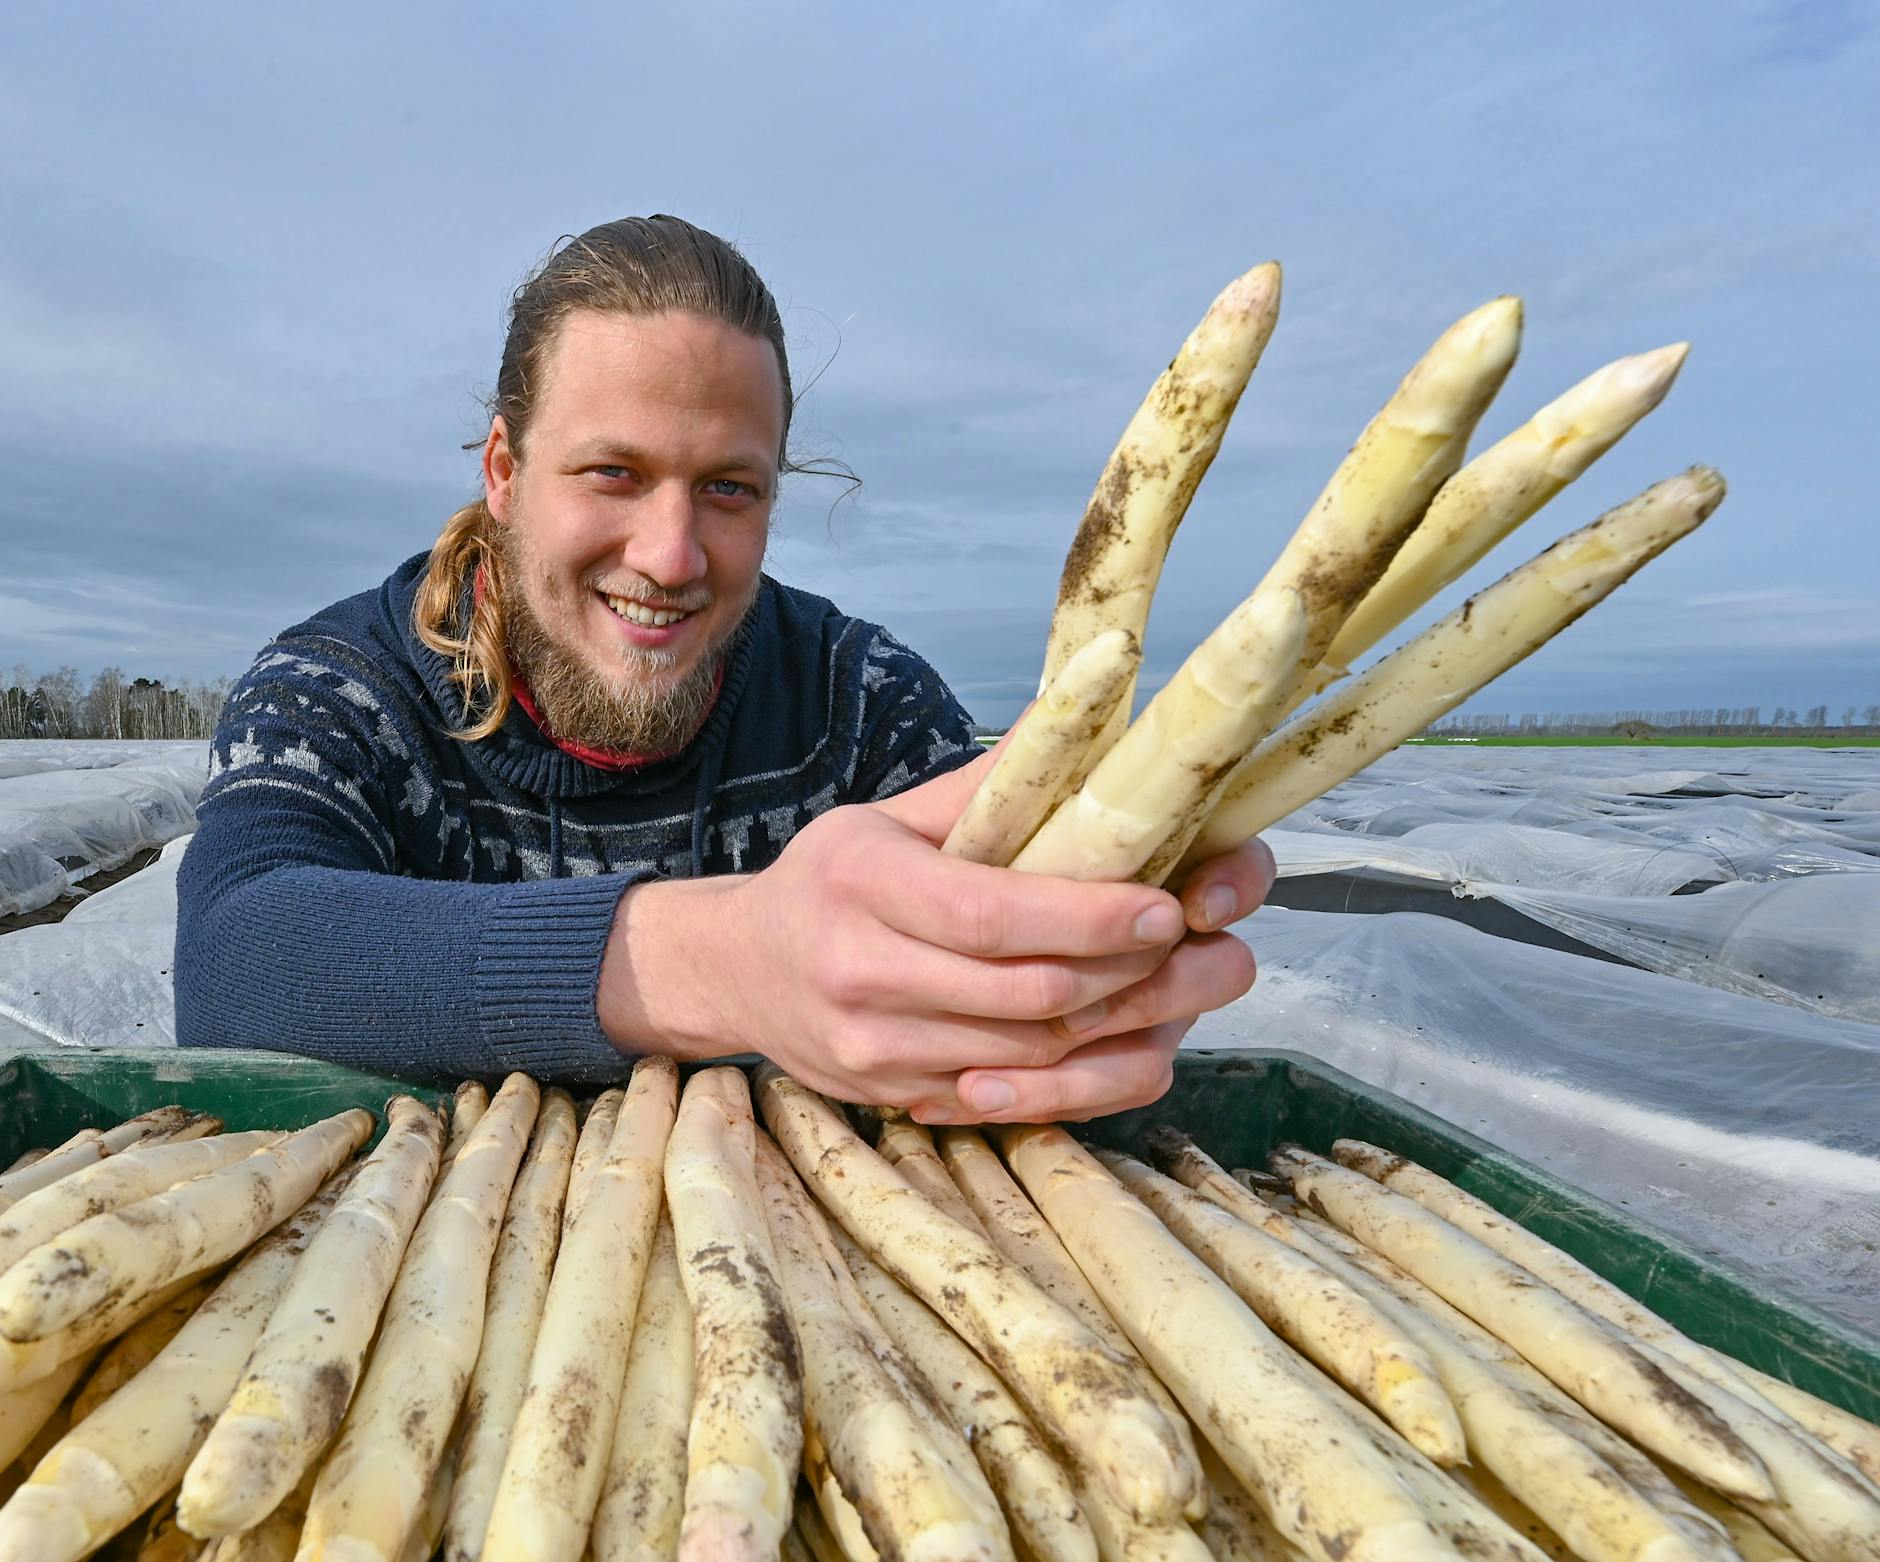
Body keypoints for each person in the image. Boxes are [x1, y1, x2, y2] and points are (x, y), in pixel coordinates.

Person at [175, 216, 1274, 1123]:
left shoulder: (863, 706)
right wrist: (726, 961)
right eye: (613, 472)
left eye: (728, 489)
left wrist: (1076, 984)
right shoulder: (339, 691)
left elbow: (1007, 959)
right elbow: (235, 959)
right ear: (505, 470)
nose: (670, 553)